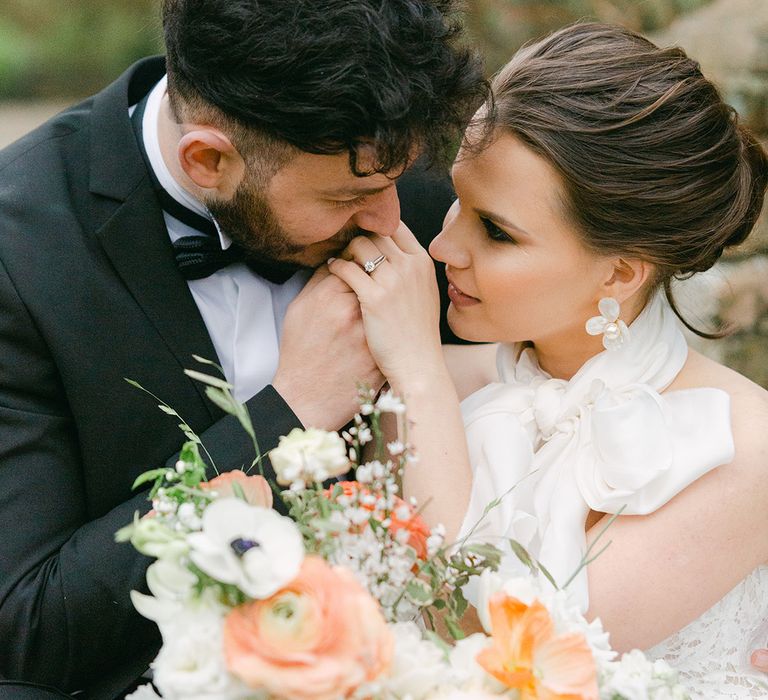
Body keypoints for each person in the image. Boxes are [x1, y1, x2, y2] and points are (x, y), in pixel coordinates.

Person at [0, 1, 486, 697]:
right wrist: (288, 412)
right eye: (351, 195)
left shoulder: (416, 188)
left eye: (395, 183)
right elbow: (29, 626)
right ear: (207, 159)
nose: (392, 219)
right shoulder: (18, 256)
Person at [329, 23, 768, 697]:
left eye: (496, 231)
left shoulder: (740, 445)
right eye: (458, 202)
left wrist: (417, 372)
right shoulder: (432, 381)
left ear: (621, 273)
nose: (443, 247)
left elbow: (504, 657)